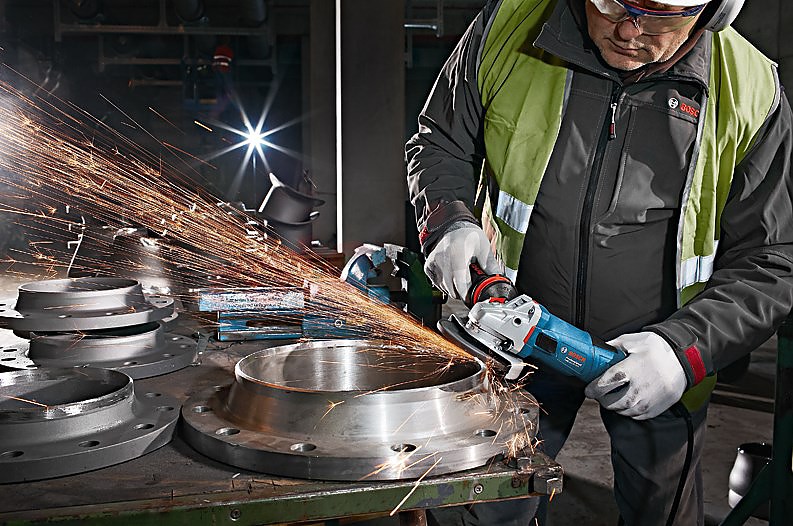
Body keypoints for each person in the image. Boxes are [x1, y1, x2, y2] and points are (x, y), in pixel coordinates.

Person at [406, 0, 793, 525]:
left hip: (657, 361)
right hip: (511, 341)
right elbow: (440, 140)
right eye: (611, 2)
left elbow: (770, 260)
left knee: (661, 515)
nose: (629, 30)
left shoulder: (751, 88)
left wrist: (684, 352)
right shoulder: (509, 25)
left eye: (658, 15)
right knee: (483, 505)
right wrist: (449, 219)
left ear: (712, 11)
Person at [210, 35, 236, 121]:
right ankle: (227, 97)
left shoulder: (217, 49)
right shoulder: (227, 50)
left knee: (220, 87)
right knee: (227, 88)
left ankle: (223, 98)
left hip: (218, 70)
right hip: (224, 71)